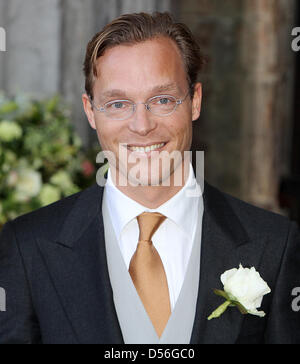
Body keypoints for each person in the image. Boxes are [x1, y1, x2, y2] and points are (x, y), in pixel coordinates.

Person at [0, 12, 299, 345]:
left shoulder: (274, 243)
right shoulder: (28, 246)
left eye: (162, 100)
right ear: (90, 111)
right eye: (117, 103)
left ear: (195, 101)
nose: (142, 126)